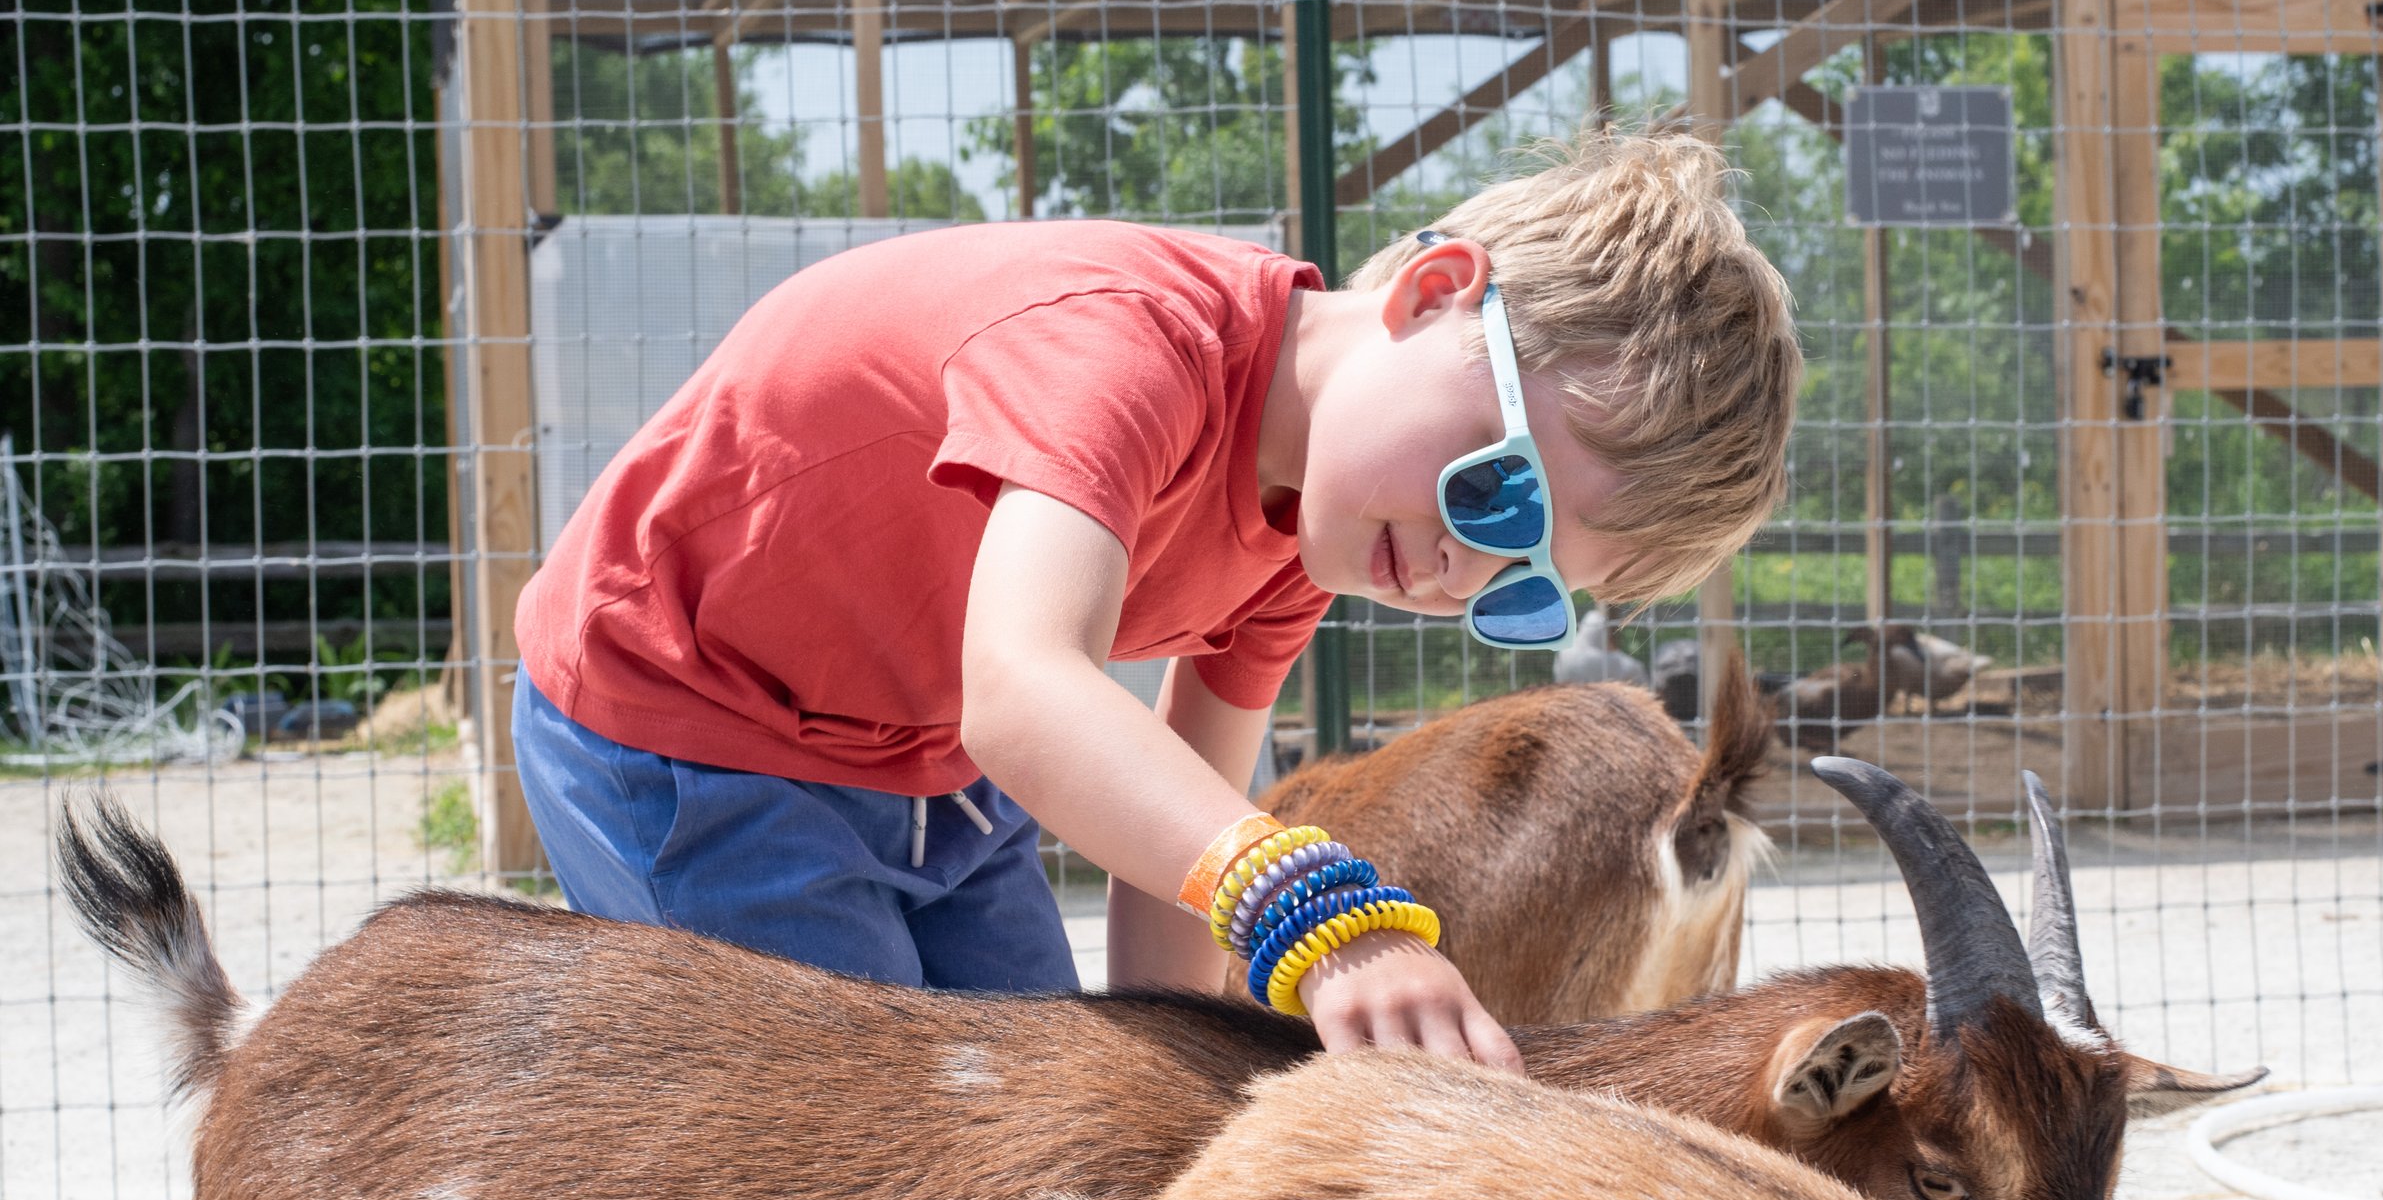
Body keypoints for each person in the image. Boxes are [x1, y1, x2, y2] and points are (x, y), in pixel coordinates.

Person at [510, 124, 1798, 1070]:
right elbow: (1024, 688)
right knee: (872, 1179)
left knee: (1054, 1126)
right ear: (1432, 293)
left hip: (927, 769)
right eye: (1499, 496)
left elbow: (1177, 865)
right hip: (688, 725)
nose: (1466, 567)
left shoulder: (1313, 536)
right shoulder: (1127, 348)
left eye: (1526, 587)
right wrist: (1325, 916)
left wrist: (1183, 1088)